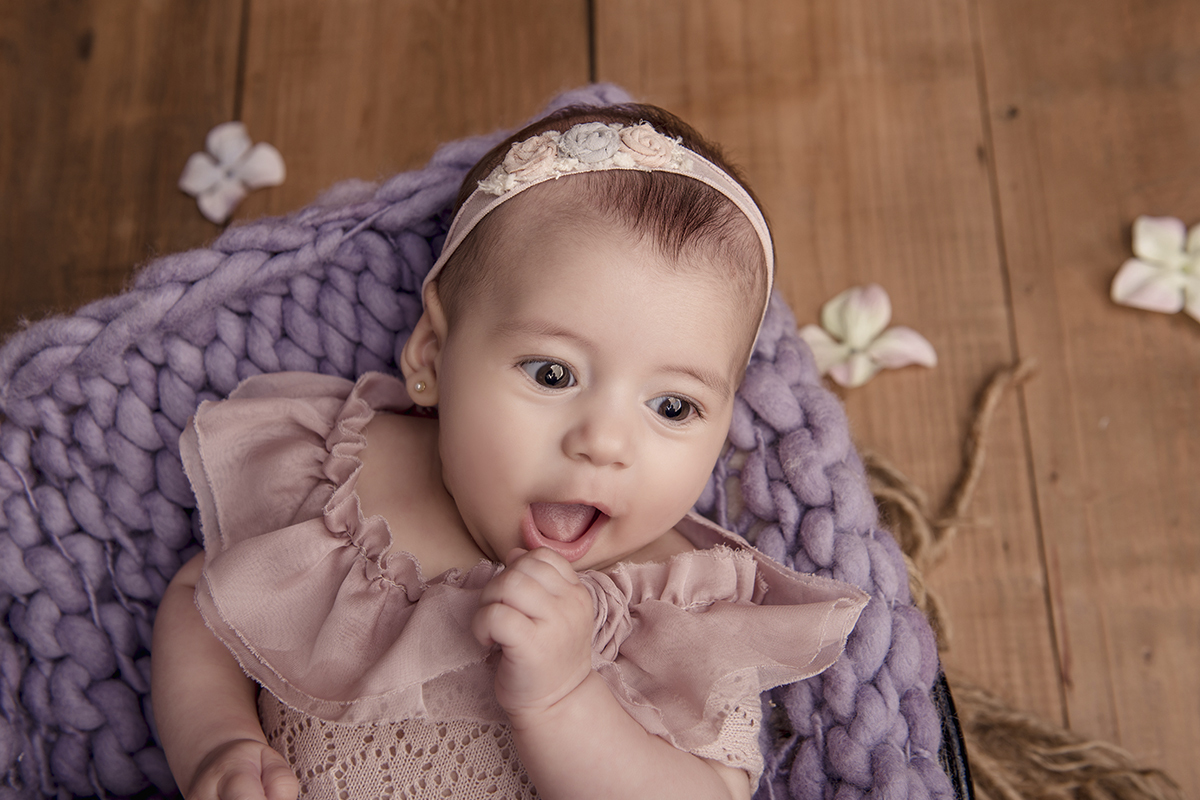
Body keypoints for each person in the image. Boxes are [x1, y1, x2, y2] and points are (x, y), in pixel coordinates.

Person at [151, 103, 869, 800]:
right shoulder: (344, 478)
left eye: (673, 407)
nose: (603, 442)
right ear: (432, 353)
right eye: (553, 374)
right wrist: (219, 744)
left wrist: (564, 701)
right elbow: (202, 600)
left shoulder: (683, 605)